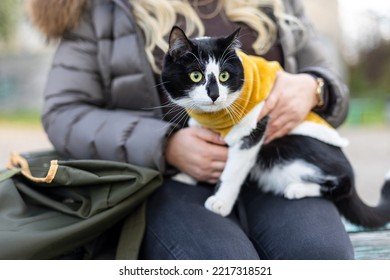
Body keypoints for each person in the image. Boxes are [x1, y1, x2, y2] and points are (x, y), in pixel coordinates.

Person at [28, 0, 354, 259]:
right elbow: (64, 112)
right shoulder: (103, 8)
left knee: (319, 257)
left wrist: (316, 87)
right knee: (221, 264)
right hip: (169, 181)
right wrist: (163, 145)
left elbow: (326, 71)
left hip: (275, 161)